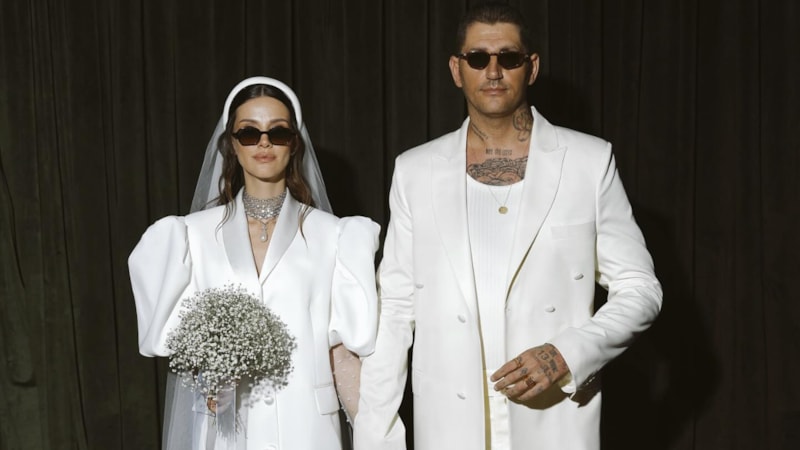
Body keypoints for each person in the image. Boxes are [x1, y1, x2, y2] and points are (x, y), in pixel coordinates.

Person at [354, 3, 662, 450]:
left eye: (509, 58)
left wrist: (568, 352)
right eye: (478, 58)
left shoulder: (589, 162)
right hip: (449, 425)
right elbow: (397, 311)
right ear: (456, 70)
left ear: (531, 67)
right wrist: (374, 438)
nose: (493, 71)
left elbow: (640, 288)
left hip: (554, 418)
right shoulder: (415, 171)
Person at [129, 76, 379, 449]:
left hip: (308, 429)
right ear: (232, 143)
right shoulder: (190, 237)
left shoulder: (335, 237)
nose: (264, 143)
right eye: (249, 133)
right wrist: (210, 379)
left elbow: (341, 356)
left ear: (294, 142)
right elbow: (183, 345)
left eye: (278, 133)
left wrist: (378, 438)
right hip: (226, 430)